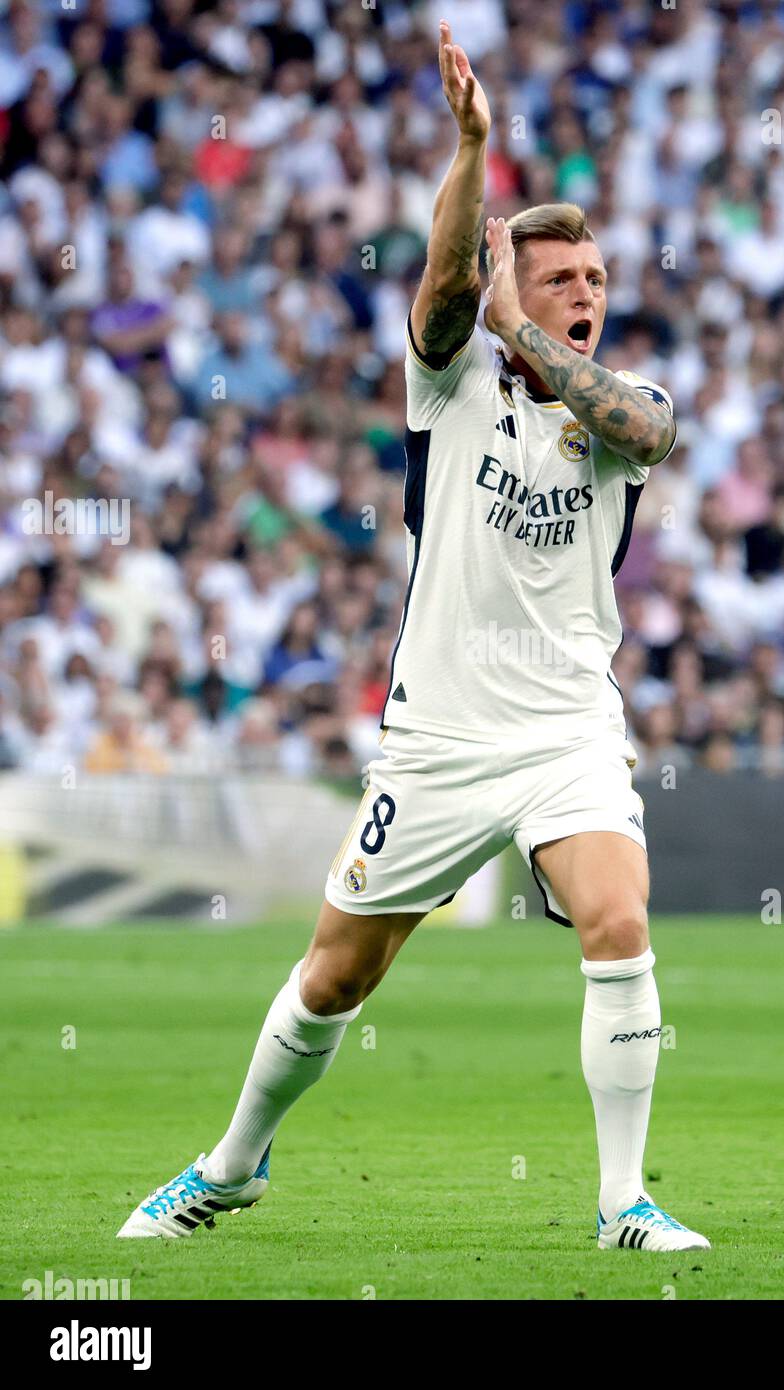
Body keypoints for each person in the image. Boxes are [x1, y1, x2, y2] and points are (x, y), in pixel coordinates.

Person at [118, 21, 708, 1255]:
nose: (586, 294)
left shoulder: (628, 408)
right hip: (436, 732)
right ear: (513, 284)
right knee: (338, 975)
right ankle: (227, 1169)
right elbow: (443, 302)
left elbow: (640, 433)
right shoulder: (448, 392)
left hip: (564, 728)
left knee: (619, 920)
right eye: (558, 279)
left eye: (594, 279)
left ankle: (621, 1202)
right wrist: (471, 147)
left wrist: (524, 325)